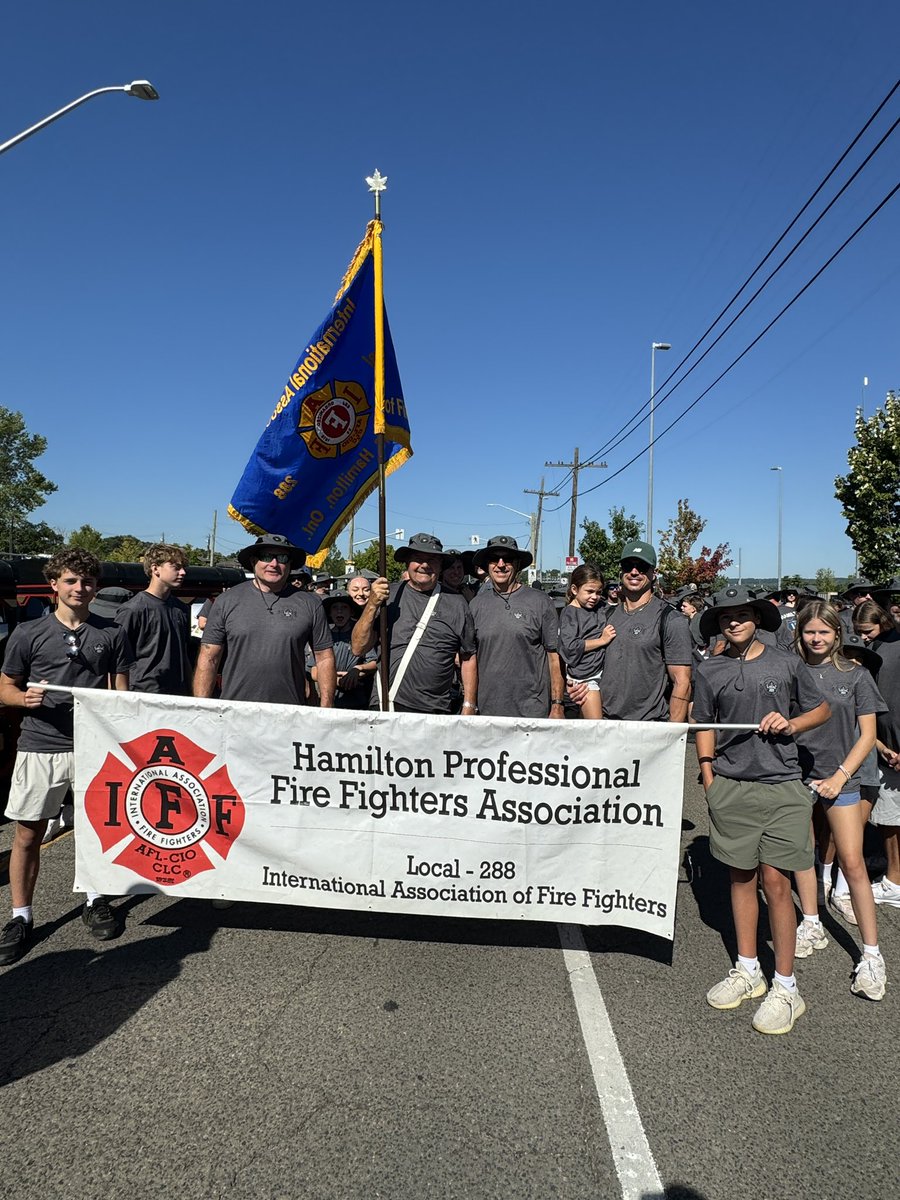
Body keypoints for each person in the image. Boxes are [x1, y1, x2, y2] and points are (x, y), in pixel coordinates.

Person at [692, 586, 830, 1035]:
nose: (734, 622)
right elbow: (706, 726)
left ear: (757, 617)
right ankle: (748, 968)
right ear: (717, 623)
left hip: (782, 788)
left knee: (776, 880)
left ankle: (787, 986)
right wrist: (710, 778)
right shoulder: (708, 668)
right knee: (740, 877)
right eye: (726, 616)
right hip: (731, 789)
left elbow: (822, 708)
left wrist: (791, 722)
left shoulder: (787, 662)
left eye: (742, 614)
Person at [0, 548, 133, 965]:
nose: (80, 588)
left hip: (94, 748)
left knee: (96, 829)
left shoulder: (110, 633)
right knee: (27, 832)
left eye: (88, 581)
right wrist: (23, 699)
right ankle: (21, 915)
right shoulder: (29, 633)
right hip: (40, 746)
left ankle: (95, 898)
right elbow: (5, 686)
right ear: (54, 585)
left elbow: (120, 692)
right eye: (71, 580)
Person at [789, 602, 887, 1000]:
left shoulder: (857, 674)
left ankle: (872, 955)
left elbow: (867, 735)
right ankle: (811, 921)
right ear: (800, 633)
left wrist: (840, 776)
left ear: (837, 634)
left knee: (853, 861)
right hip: (796, 776)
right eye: (810, 631)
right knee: (802, 853)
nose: (816, 639)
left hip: (842, 778)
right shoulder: (789, 670)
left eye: (824, 632)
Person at [194, 534, 335, 706]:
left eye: (282, 558)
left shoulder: (311, 604)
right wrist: (201, 708)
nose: (274, 564)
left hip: (291, 712)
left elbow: (324, 658)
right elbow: (209, 658)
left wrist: (327, 709)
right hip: (234, 712)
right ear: (254, 561)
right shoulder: (226, 601)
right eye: (266, 557)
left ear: (290, 564)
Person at [351, 532, 476, 715]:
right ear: (407, 563)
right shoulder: (388, 596)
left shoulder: (457, 603)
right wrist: (372, 604)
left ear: (441, 566)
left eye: (432, 559)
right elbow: (358, 648)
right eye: (418, 558)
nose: (424, 565)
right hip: (387, 704)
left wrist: (469, 705)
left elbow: (468, 657)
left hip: (434, 710)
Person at [580, 541, 692, 722]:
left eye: (642, 567)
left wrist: (671, 734)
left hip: (650, 727)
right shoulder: (604, 615)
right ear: (621, 571)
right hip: (605, 725)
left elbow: (682, 682)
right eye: (628, 566)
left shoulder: (670, 619)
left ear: (653, 573)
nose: (634, 572)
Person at [469, 535, 564, 719]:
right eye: (494, 559)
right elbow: (468, 659)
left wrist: (557, 705)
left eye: (508, 559)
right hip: (488, 710)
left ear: (518, 564)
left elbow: (554, 657)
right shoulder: (475, 605)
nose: (501, 564)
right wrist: (470, 704)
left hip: (532, 710)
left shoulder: (540, 601)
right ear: (487, 566)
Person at [855, 601, 900, 911]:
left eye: (867, 632)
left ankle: (894, 882)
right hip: (887, 746)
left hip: (892, 748)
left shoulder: (889, 651)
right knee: (889, 819)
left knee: (891, 819)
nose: (864, 639)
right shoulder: (884, 646)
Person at [116, 543, 191, 695]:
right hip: (143, 695)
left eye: (183, 567)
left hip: (178, 695)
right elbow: (118, 660)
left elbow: (185, 654)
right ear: (155, 568)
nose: (183, 572)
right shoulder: (132, 609)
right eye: (176, 567)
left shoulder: (182, 609)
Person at [558, 565, 615, 719]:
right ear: (575, 589)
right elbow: (570, 647)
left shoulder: (600, 607)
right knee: (596, 728)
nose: (594, 597)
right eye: (589, 591)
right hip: (585, 678)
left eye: (598, 592)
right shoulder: (569, 613)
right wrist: (602, 640)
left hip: (600, 674)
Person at [311, 591, 375, 709]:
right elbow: (313, 670)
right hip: (329, 701)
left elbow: (374, 662)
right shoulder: (324, 635)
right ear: (329, 613)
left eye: (344, 607)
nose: (339, 611)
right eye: (335, 608)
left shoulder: (360, 636)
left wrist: (358, 670)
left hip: (357, 702)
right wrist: (333, 679)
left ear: (351, 611)